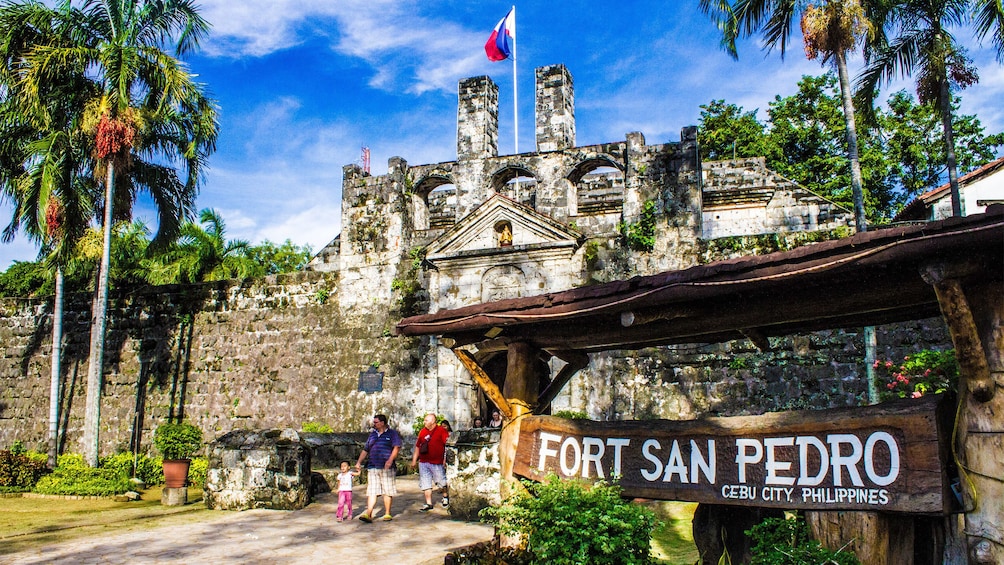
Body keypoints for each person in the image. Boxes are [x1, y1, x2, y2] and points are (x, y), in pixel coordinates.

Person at [355, 414, 402, 522]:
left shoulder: (392, 434)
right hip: (373, 466)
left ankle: (387, 513)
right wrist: (359, 462)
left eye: (376, 422)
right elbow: (366, 449)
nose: (374, 424)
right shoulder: (372, 435)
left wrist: (390, 460)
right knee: (372, 491)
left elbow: (396, 447)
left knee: (387, 490)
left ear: (382, 423)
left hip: (386, 467)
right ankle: (369, 513)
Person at [410, 413, 450, 511]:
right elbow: (418, 446)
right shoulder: (422, 432)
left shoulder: (441, 431)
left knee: (441, 481)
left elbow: (447, 445)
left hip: (437, 462)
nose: (424, 422)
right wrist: (414, 460)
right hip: (424, 461)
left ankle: (445, 497)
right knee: (425, 482)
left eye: (426, 420)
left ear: (433, 421)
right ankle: (428, 503)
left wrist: (445, 459)